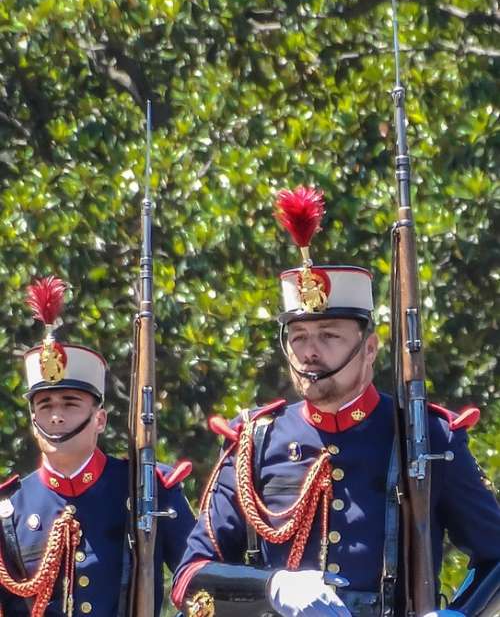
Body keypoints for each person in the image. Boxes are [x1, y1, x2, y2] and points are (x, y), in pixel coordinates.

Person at [171, 186, 500, 617]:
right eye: (299, 337)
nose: (310, 352)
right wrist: (273, 587)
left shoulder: (425, 435)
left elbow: (496, 555)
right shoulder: (256, 441)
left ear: (369, 348)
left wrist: (457, 614)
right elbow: (190, 578)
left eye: (329, 336)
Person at [0, 275, 195, 616]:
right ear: (33, 422)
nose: (57, 417)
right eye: (45, 406)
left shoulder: (148, 487)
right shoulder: (10, 510)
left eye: (70, 403)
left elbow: (198, 585)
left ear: (100, 420)